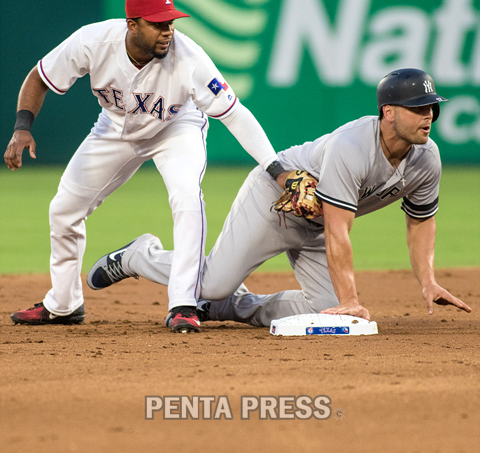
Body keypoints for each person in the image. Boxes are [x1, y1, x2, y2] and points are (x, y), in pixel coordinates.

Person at [86, 68, 472, 327]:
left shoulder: (427, 159)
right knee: (213, 282)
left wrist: (428, 281)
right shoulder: (353, 146)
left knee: (327, 312)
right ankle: (140, 255)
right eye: (417, 108)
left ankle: (230, 307)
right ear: (388, 112)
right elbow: (339, 230)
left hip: (318, 224)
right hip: (275, 203)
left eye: (431, 107)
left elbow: (421, 221)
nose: (428, 115)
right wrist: (351, 298)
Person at [6, 0, 283, 332]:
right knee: (63, 209)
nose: (168, 31)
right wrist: (22, 127)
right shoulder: (93, 41)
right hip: (114, 126)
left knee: (186, 198)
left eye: (171, 22)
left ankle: (184, 303)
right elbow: (39, 77)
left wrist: (275, 167)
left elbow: (235, 115)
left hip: (176, 126)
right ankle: (63, 304)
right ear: (132, 25)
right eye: (158, 24)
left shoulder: (190, 58)